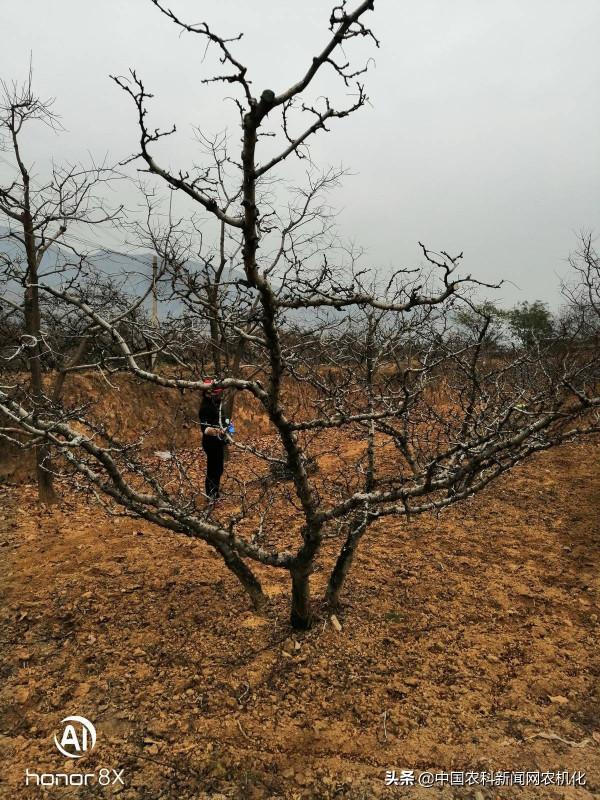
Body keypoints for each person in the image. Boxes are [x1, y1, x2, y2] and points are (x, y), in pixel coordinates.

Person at [199, 379, 226, 499]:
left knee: (219, 468)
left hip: (219, 442)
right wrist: (219, 432)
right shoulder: (205, 407)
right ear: (207, 393)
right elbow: (205, 429)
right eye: (215, 392)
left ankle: (215, 493)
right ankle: (211, 495)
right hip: (210, 443)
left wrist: (230, 430)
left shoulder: (218, 405)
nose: (218, 394)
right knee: (213, 469)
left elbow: (225, 421)